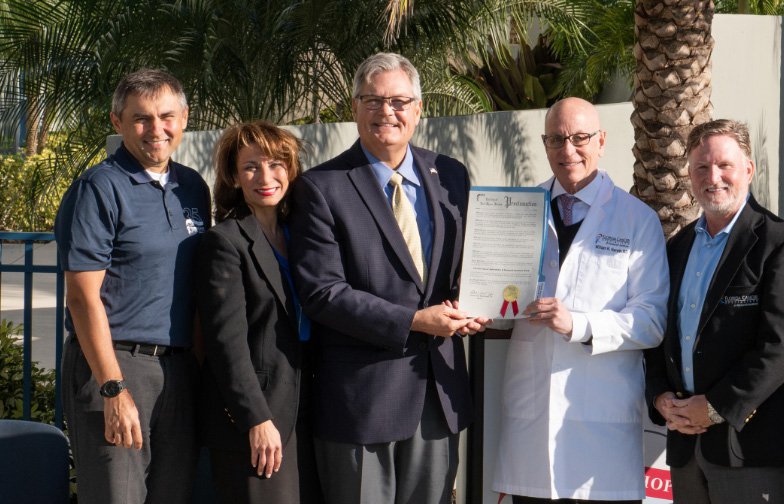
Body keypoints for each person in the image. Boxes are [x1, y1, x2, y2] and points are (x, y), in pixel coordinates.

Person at [288, 52, 488, 504]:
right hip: (362, 400)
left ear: (418, 109)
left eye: (399, 101)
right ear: (354, 108)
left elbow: (463, 269)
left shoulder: (451, 174)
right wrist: (415, 320)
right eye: (372, 100)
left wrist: (477, 305)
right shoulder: (321, 187)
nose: (386, 112)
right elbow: (323, 293)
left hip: (439, 394)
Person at [491, 97, 669, 503]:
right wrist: (482, 309)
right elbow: (500, 305)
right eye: (556, 139)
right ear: (545, 144)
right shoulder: (519, 211)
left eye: (580, 138)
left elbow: (651, 319)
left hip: (600, 430)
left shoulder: (636, 219)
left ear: (602, 141)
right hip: (531, 426)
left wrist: (580, 325)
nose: (568, 150)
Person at [54, 69, 210, 504]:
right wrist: (112, 387)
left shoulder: (193, 187)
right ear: (117, 122)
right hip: (117, 366)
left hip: (178, 371)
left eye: (165, 116)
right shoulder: (98, 188)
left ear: (184, 117)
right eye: (141, 118)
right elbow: (83, 296)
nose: (155, 129)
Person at [644, 119, 784, 503]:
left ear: (748, 170)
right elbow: (658, 333)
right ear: (689, 173)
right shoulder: (678, 248)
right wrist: (660, 399)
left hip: (750, 448)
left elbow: (781, 348)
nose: (712, 177)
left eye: (724, 166)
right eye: (701, 167)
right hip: (685, 447)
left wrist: (717, 407)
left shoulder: (783, 245)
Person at [195, 122, 321, 503]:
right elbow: (226, 345)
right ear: (234, 176)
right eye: (251, 166)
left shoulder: (302, 236)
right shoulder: (225, 243)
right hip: (256, 420)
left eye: (276, 164)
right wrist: (257, 419)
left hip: (306, 411)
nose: (266, 177)